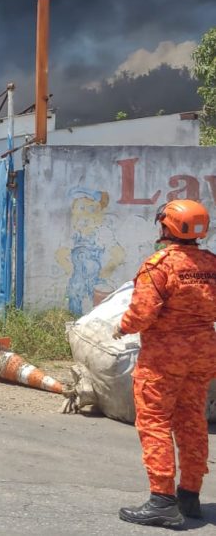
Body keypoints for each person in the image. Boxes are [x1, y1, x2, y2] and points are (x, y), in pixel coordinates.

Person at [112, 199, 216, 528]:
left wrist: (122, 326)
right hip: (203, 354)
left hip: (164, 358)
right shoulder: (212, 264)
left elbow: (142, 314)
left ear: (166, 226)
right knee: (192, 421)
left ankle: (162, 501)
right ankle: (190, 496)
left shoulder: (160, 265)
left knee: (155, 423)